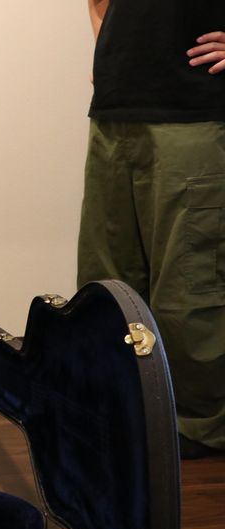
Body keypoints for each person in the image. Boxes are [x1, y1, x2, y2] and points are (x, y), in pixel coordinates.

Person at [79, 0, 225, 459]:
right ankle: (122, 411)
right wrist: (108, 51)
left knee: (189, 282)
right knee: (107, 279)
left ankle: (199, 425)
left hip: (194, 109)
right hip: (115, 112)